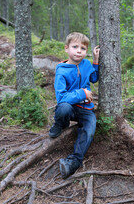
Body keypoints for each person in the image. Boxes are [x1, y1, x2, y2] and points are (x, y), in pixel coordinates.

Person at [49, 32, 100, 179]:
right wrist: (82, 93)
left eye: (83, 48)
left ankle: (74, 161)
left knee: (90, 129)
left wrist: (95, 60)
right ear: (66, 49)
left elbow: (94, 78)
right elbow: (61, 97)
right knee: (63, 108)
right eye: (75, 47)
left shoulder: (86, 64)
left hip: (86, 109)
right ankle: (60, 124)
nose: (79, 51)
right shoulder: (61, 71)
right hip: (70, 108)